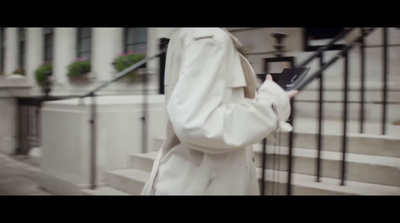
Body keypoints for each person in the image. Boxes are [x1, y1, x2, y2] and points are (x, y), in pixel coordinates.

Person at [141, 28, 299, 195]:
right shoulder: (208, 37)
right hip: (203, 182)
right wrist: (272, 106)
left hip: (195, 177)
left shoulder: (193, 34)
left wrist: (257, 99)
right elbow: (199, 124)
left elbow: (199, 106)